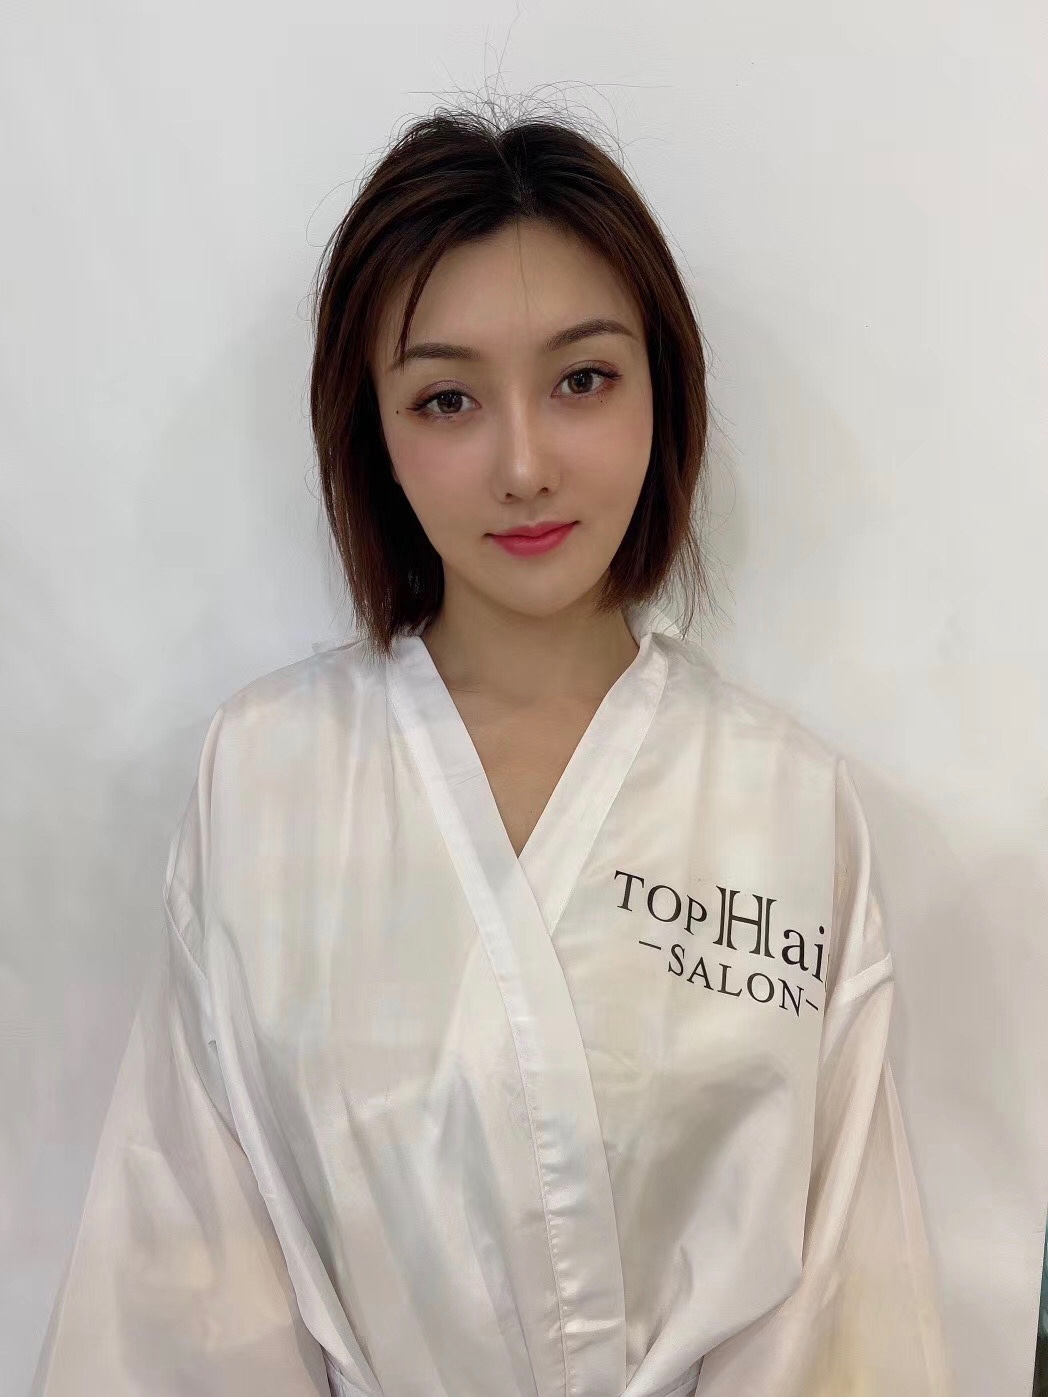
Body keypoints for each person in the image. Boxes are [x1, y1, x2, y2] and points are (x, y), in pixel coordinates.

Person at [32, 102, 955, 1397]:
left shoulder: (785, 803)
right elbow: (185, 1279)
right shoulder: (266, 777)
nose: (523, 465)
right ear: (375, 434)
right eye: (448, 398)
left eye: (582, 380)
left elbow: (847, 1303)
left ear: (663, 389)